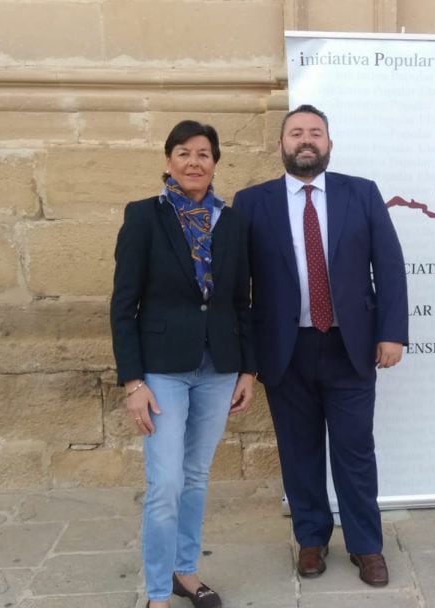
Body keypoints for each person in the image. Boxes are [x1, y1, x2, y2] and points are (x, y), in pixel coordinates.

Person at [233, 105, 408, 587]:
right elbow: (239, 287)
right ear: (282, 146)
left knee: (354, 451)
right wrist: (246, 361)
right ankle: (311, 539)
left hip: (349, 348)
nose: (305, 140)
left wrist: (391, 332)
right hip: (285, 351)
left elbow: (389, 266)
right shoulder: (252, 202)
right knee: (298, 450)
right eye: (296, 133)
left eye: (315, 133)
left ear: (329, 144)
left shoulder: (362, 193)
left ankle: (366, 546)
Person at [110, 120, 256, 608]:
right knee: (165, 482)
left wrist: (248, 370)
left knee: (195, 477)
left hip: (218, 368)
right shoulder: (144, 217)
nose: (194, 162)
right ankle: (156, 593)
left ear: (215, 162)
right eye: (184, 153)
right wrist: (133, 381)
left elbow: (241, 301)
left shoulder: (230, 222)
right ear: (168, 160)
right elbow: (123, 305)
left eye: (204, 154)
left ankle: (185, 572)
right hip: (163, 371)